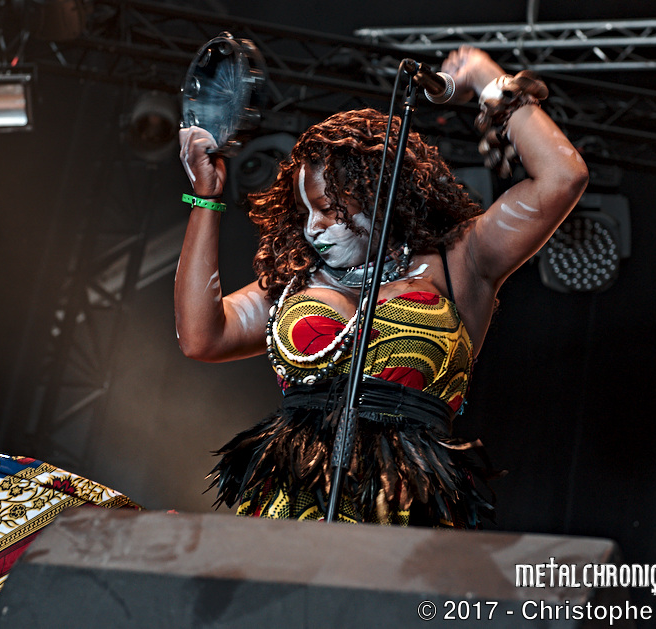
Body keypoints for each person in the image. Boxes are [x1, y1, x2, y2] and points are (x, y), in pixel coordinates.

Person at [174, 46, 588, 527]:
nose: (313, 227)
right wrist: (205, 198)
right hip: (289, 510)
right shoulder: (296, 281)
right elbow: (201, 338)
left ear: (378, 194)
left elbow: (563, 177)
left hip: (403, 510)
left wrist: (487, 80)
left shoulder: (462, 260)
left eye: (328, 208)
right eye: (304, 212)